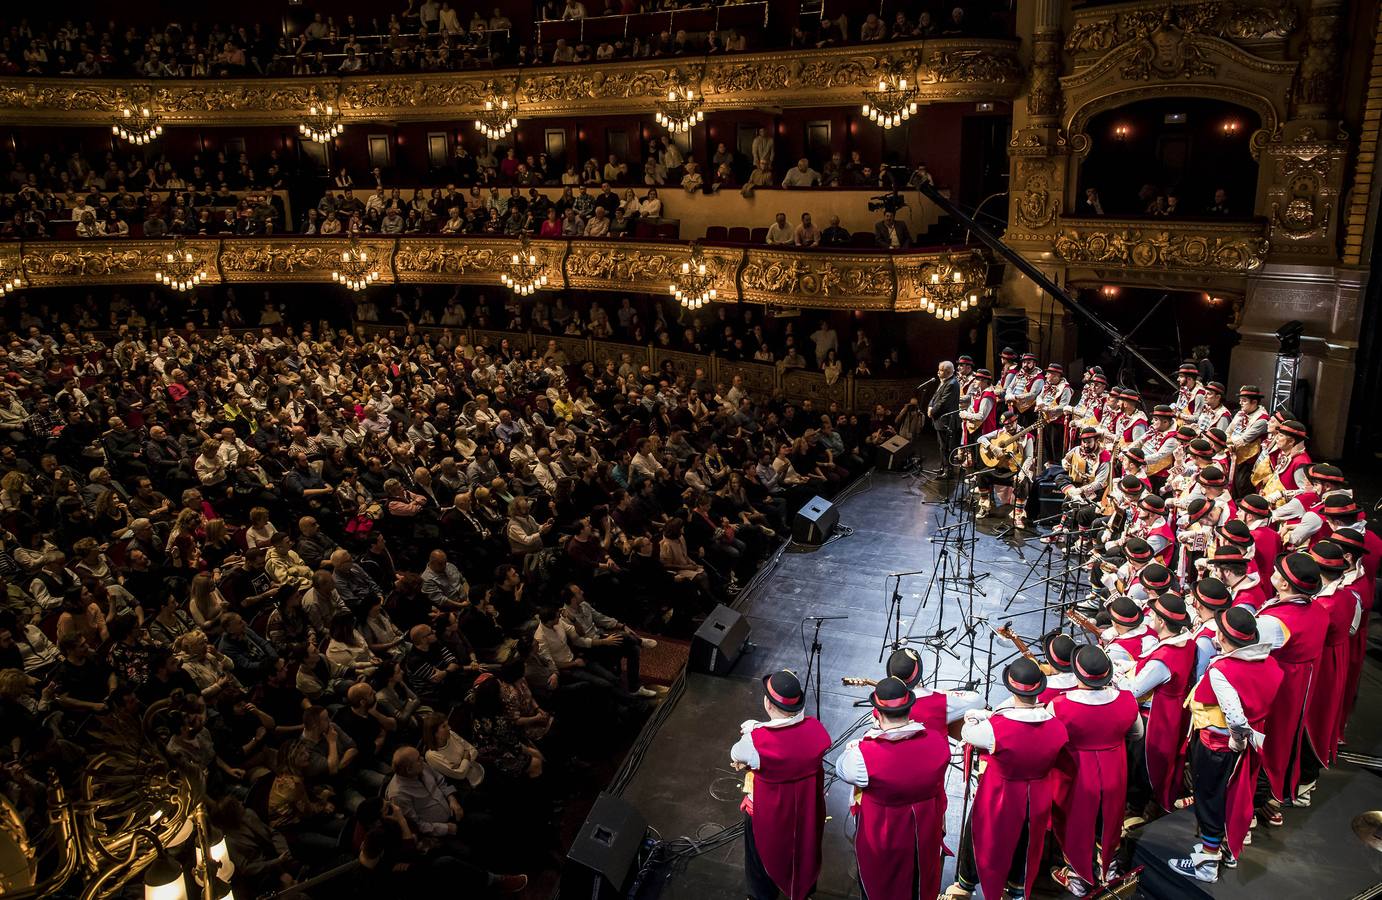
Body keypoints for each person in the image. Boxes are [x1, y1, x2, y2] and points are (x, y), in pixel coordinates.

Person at [1168, 607, 1282, 882]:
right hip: (1248, 743)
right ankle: (1227, 848)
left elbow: (1236, 718)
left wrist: (1236, 741)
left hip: (1219, 745)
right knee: (1233, 794)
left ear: (1222, 636)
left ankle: (1208, 862)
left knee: (1210, 798)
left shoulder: (1223, 670)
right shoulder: (1269, 663)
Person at [948, 659, 1069, 900]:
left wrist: (976, 717)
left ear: (1012, 688)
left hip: (1000, 793)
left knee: (978, 834)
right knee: (1027, 841)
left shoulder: (996, 727)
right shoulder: (1057, 727)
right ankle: (1015, 889)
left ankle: (966, 883)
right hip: (1037, 795)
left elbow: (967, 732)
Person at [835, 676, 950, 900]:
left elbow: (842, 769)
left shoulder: (862, 757)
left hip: (884, 836)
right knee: (920, 879)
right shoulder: (937, 742)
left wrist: (858, 744)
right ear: (910, 708)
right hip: (924, 832)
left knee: (881, 883)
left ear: (877, 713)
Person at [729, 670, 830, 900]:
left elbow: (736, 753)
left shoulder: (755, 741)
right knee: (806, 852)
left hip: (770, 814)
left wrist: (754, 727)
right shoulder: (817, 730)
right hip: (805, 811)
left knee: (760, 862)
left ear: (768, 703)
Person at [1047, 645, 1139, 895]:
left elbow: (1051, 743)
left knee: (1075, 824)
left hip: (1077, 774)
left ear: (1077, 675)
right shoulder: (1126, 699)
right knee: (1108, 821)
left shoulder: (1060, 705)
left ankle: (1078, 878)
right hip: (1114, 769)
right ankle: (1108, 870)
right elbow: (1136, 733)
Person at [927, 361, 960, 472]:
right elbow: (935, 396)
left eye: (940, 370)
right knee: (942, 446)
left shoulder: (951, 383)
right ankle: (943, 467)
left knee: (946, 447)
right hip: (940, 419)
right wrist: (930, 407)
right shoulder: (944, 381)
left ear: (948, 371)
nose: (938, 372)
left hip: (946, 420)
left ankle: (947, 471)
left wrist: (932, 411)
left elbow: (943, 403)